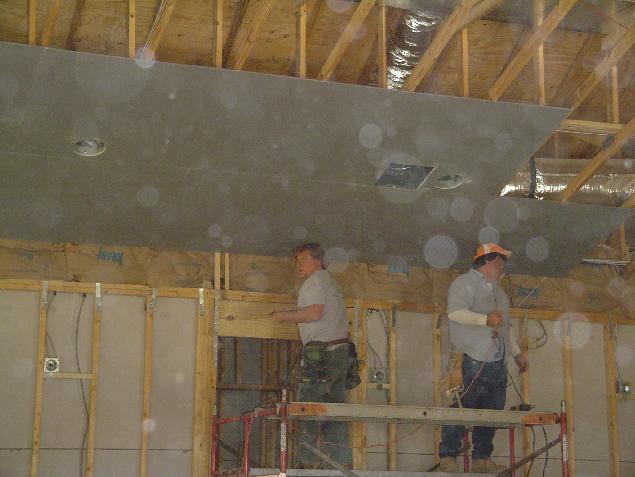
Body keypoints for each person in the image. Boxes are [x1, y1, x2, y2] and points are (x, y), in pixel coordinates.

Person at [438, 243, 529, 473]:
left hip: (497, 361)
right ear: (488, 261)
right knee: (460, 407)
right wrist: (484, 320)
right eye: (500, 261)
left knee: (491, 410)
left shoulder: (499, 293)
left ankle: (481, 457)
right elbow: (455, 313)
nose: (503, 266)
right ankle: (448, 456)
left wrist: (516, 354)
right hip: (469, 357)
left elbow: (505, 326)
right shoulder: (464, 284)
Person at [271, 242, 352, 467]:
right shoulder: (331, 282)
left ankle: (305, 465)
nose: (298, 263)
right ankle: (340, 466)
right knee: (335, 413)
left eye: (303, 259)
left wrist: (281, 316)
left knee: (307, 408)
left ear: (317, 260)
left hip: (322, 355)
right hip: (340, 353)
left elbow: (314, 313)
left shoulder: (314, 281)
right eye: (296, 259)